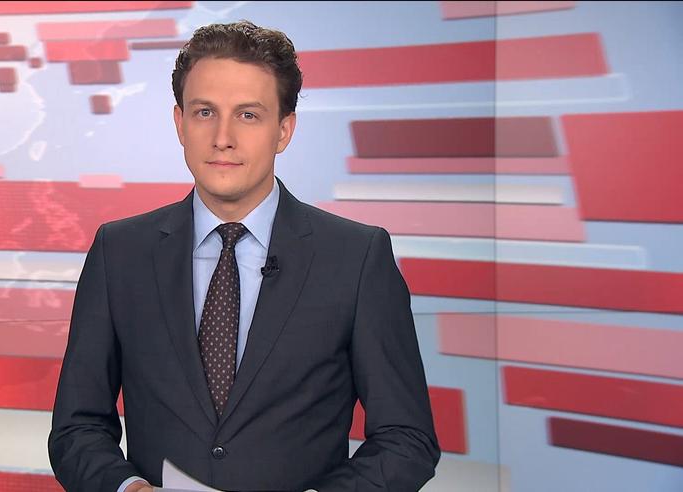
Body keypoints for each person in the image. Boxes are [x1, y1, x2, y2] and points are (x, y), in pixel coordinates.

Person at [49, 20, 440, 492]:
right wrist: (129, 489)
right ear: (180, 123)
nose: (223, 137)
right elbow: (77, 428)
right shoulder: (120, 253)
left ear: (284, 130)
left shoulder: (356, 258)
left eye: (248, 115)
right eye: (204, 112)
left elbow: (407, 439)